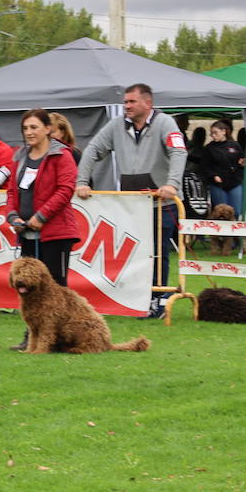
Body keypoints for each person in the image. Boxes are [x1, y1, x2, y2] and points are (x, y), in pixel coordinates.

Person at [75, 83, 186, 318]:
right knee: (133, 251)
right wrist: (82, 181)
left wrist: (172, 184)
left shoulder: (165, 123)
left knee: (157, 251)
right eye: (125, 102)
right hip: (132, 203)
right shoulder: (117, 126)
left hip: (161, 202)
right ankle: (135, 298)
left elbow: (179, 152)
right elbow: (93, 149)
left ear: (148, 103)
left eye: (131, 102)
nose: (126, 106)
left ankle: (157, 299)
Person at [6, 109, 80, 349]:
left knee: (56, 290)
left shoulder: (61, 155)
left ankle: (60, 337)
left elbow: (66, 189)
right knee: (28, 289)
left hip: (55, 233)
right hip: (26, 232)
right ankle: (32, 338)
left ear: (48, 129)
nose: (29, 132)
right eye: (25, 128)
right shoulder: (20, 157)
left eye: (34, 127)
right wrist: (13, 216)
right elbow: (11, 192)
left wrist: (41, 216)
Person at [204, 119, 245, 217]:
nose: (213, 135)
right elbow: (205, 166)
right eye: (211, 133)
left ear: (224, 131)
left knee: (236, 211)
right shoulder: (209, 148)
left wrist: (243, 162)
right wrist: (213, 176)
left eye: (215, 133)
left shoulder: (234, 145)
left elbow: (242, 159)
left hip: (234, 182)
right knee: (220, 212)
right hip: (218, 184)